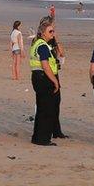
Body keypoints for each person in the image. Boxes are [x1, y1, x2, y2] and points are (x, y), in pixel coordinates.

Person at [30, 18, 60, 146]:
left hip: (38, 77)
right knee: (47, 110)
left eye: (53, 31)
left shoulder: (39, 44)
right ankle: (43, 138)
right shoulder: (42, 46)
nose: (53, 33)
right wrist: (55, 81)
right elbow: (45, 65)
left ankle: (38, 137)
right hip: (44, 78)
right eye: (50, 31)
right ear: (43, 33)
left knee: (42, 108)